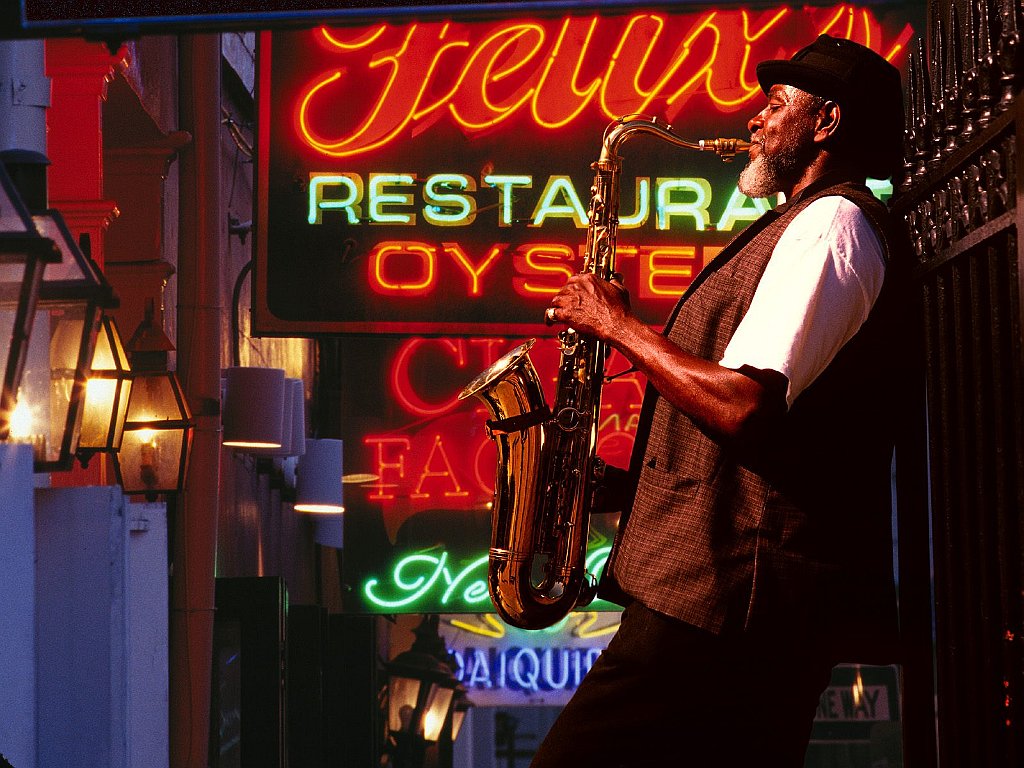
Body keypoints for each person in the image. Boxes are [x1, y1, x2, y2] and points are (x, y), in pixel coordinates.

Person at [532, 35, 909, 767]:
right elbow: (767, 446)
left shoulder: (833, 225)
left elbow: (745, 407)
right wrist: (618, 490)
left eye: (775, 105)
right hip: (722, 599)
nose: (756, 121)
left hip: (723, 599)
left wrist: (615, 326)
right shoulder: (797, 225)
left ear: (825, 122)